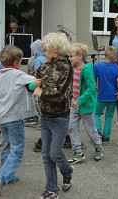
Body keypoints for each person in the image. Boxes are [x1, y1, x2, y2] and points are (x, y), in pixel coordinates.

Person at [0, 45, 39, 196]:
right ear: (17, 62)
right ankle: (2, 176)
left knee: (8, 147)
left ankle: (7, 175)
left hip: (1, 119)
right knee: (17, 150)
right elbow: (36, 81)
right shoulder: (19, 75)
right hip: (14, 119)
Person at [32, 32, 73, 199]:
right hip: (45, 116)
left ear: (55, 49)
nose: (43, 52)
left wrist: (40, 93)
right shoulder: (44, 66)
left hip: (60, 117)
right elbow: (32, 80)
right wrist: (31, 84)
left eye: (45, 49)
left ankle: (68, 171)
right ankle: (51, 189)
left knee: (55, 154)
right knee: (46, 155)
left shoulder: (66, 67)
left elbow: (62, 95)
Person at [68, 43, 103, 164]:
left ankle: (98, 147)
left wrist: (79, 101)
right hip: (74, 103)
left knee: (90, 128)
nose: (69, 58)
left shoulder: (87, 69)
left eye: (71, 56)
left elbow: (91, 88)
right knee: (72, 127)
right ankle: (78, 152)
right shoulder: (73, 68)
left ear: (81, 56)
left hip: (85, 104)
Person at [93, 46, 118, 144]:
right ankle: (106, 137)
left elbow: (93, 78)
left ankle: (98, 131)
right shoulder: (117, 68)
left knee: (96, 114)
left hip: (102, 95)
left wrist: (95, 87)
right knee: (109, 116)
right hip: (113, 96)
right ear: (114, 57)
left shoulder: (98, 66)